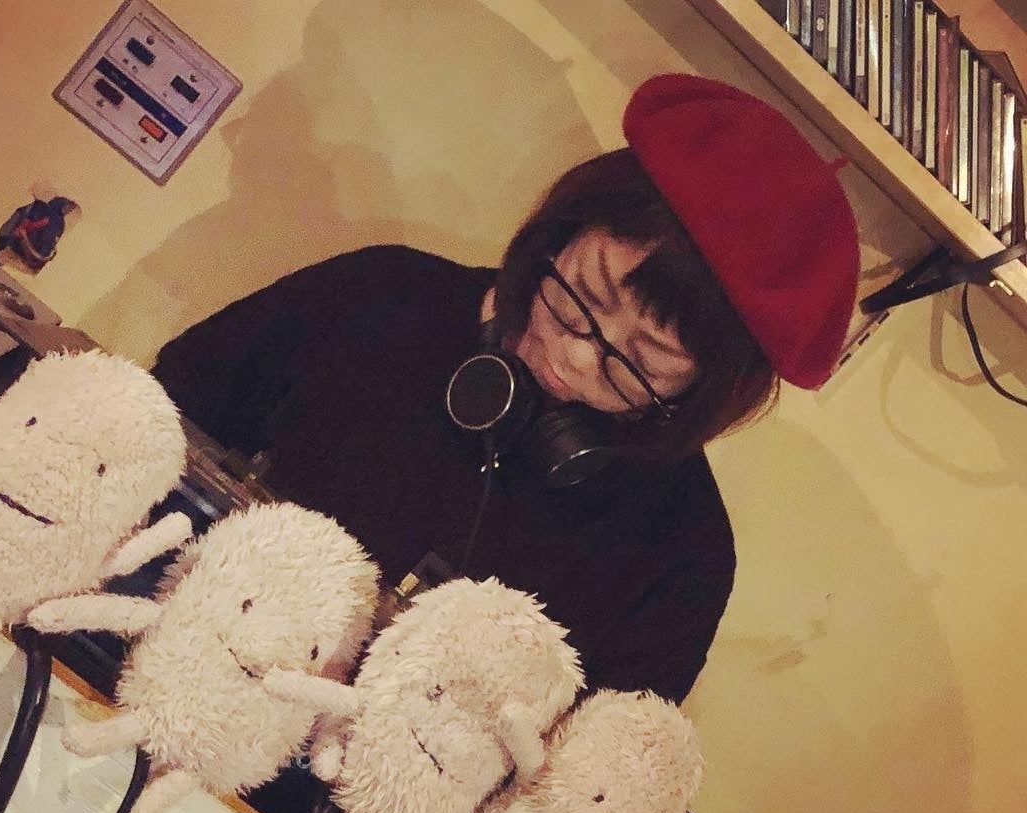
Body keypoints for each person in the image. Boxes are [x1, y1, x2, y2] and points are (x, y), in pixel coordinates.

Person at [152, 73, 859, 708]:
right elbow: (159, 415)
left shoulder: (680, 556)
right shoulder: (381, 294)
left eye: (639, 363)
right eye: (580, 298)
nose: (576, 358)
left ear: (699, 396)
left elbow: (583, 778)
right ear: (558, 234)